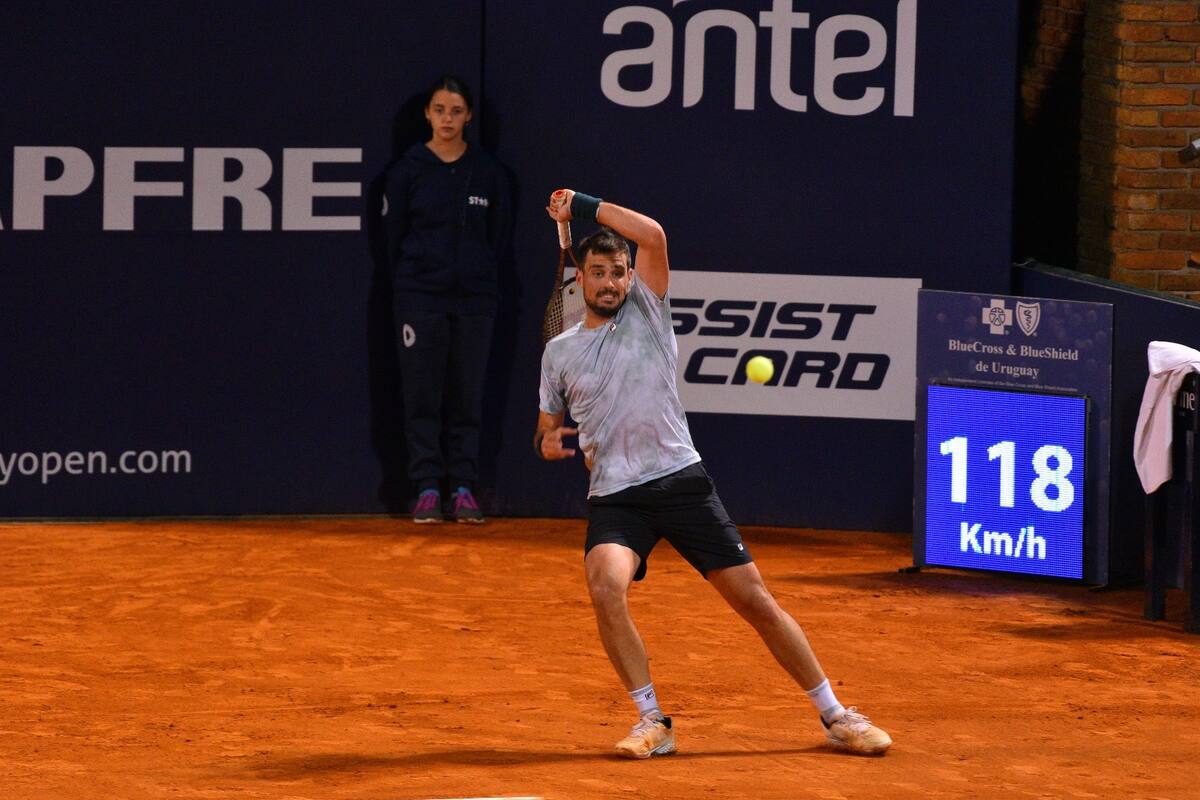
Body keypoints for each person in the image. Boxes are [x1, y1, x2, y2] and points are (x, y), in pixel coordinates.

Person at [534, 189, 892, 758]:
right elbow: (547, 423)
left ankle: (836, 714)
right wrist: (550, 439)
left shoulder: (649, 310)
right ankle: (653, 721)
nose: (608, 282)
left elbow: (652, 233)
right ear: (581, 276)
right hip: (616, 499)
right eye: (597, 272)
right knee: (605, 585)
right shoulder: (559, 352)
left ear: (630, 277)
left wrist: (581, 204)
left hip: (680, 481)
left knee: (754, 601)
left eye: (618, 272)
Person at [384, 75, 511, 523]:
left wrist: (475, 276)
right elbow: (392, 237)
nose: (447, 119)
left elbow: (497, 239)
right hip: (420, 298)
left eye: (456, 111)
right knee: (422, 395)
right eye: (440, 110)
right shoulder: (407, 171)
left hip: (475, 301)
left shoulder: (489, 173)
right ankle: (425, 488)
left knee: (466, 396)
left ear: (469, 116)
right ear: (427, 114)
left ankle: (461, 487)